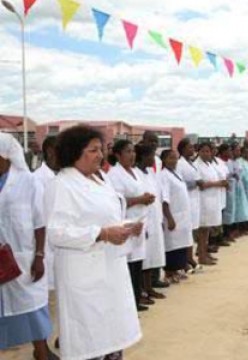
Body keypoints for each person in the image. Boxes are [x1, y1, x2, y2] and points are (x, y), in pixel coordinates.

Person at [45, 125, 142, 360]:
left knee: (112, 334)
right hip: (83, 272)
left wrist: (127, 226)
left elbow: (108, 217)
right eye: (92, 150)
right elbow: (56, 232)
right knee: (88, 339)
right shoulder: (62, 184)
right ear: (74, 152)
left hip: (109, 269)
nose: (100, 155)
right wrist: (102, 234)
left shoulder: (100, 179)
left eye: (101, 149)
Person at [0, 133, 56, 360]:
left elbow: (40, 221)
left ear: (6, 156)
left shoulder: (28, 181)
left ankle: (41, 352)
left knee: (32, 307)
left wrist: (39, 256)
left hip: (24, 256)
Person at [107, 139, 155, 312]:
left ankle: (135, 300)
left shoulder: (135, 172)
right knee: (127, 266)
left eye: (133, 151)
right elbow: (116, 201)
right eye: (127, 151)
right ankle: (127, 305)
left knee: (137, 265)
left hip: (141, 224)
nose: (132, 155)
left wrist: (146, 198)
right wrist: (140, 199)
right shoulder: (114, 174)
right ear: (118, 155)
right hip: (126, 225)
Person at [135, 144, 166, 300]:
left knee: (152, 254)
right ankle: (141, 290)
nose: (153, 159)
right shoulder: (135, 174)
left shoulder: (149, 173)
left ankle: (149, 286)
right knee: (143, 257)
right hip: (142, 219)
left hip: (154, 217)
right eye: (151, 155)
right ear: (142, 156)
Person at [159, 149, 193, 283]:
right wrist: (170, 218)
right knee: (171, 246)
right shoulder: (163, 176)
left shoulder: (176, 173)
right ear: (163, 160)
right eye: (170, 158)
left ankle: (178, 269)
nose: (174, 161)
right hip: (173, 216)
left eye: (175, 158)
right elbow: (164, 199)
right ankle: (169, 272)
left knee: (181, 245)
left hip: (183, 216)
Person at [33, 136, 59, 292]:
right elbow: (38, 220)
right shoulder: (37, 179)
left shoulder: (61, 176)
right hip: (47, 248)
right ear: (50, 152)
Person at [195, 142, 228, 265]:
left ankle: (205, 253)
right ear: (198, 152)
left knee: (207, 229)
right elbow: (202, 184)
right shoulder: (197, 165)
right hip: (203, 201)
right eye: (203, 151)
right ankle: (201, 256)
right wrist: (218, 183)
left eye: (208, 151)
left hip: (213, 199)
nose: (206, 153)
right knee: (203, 229)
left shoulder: (209, 164)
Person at [175, 138, 202, 270]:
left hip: (194, 199)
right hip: (186, 200)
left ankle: (190, 257)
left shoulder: (191, 163)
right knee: (186, 231)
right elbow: (179, 182)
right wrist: (195, 183)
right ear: (183, 149)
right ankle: (187, 259)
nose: (192, 149)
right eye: (189, 147)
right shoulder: (179, 164)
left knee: (192, 230)